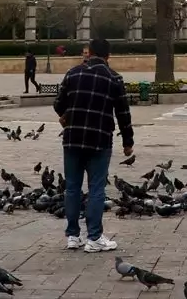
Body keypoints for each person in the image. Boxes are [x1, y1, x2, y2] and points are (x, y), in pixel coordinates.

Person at [53, 37, 133, 253]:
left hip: (73, 138)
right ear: (108, 56)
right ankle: (94, 238)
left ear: (89, 53)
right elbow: (123, 113)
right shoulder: (114, 78)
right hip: (99, 140)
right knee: (96, 188)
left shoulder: (73, 73)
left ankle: (72, 236)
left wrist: (65, 116)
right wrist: (128, 142)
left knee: (72, 187)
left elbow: (58, 103)